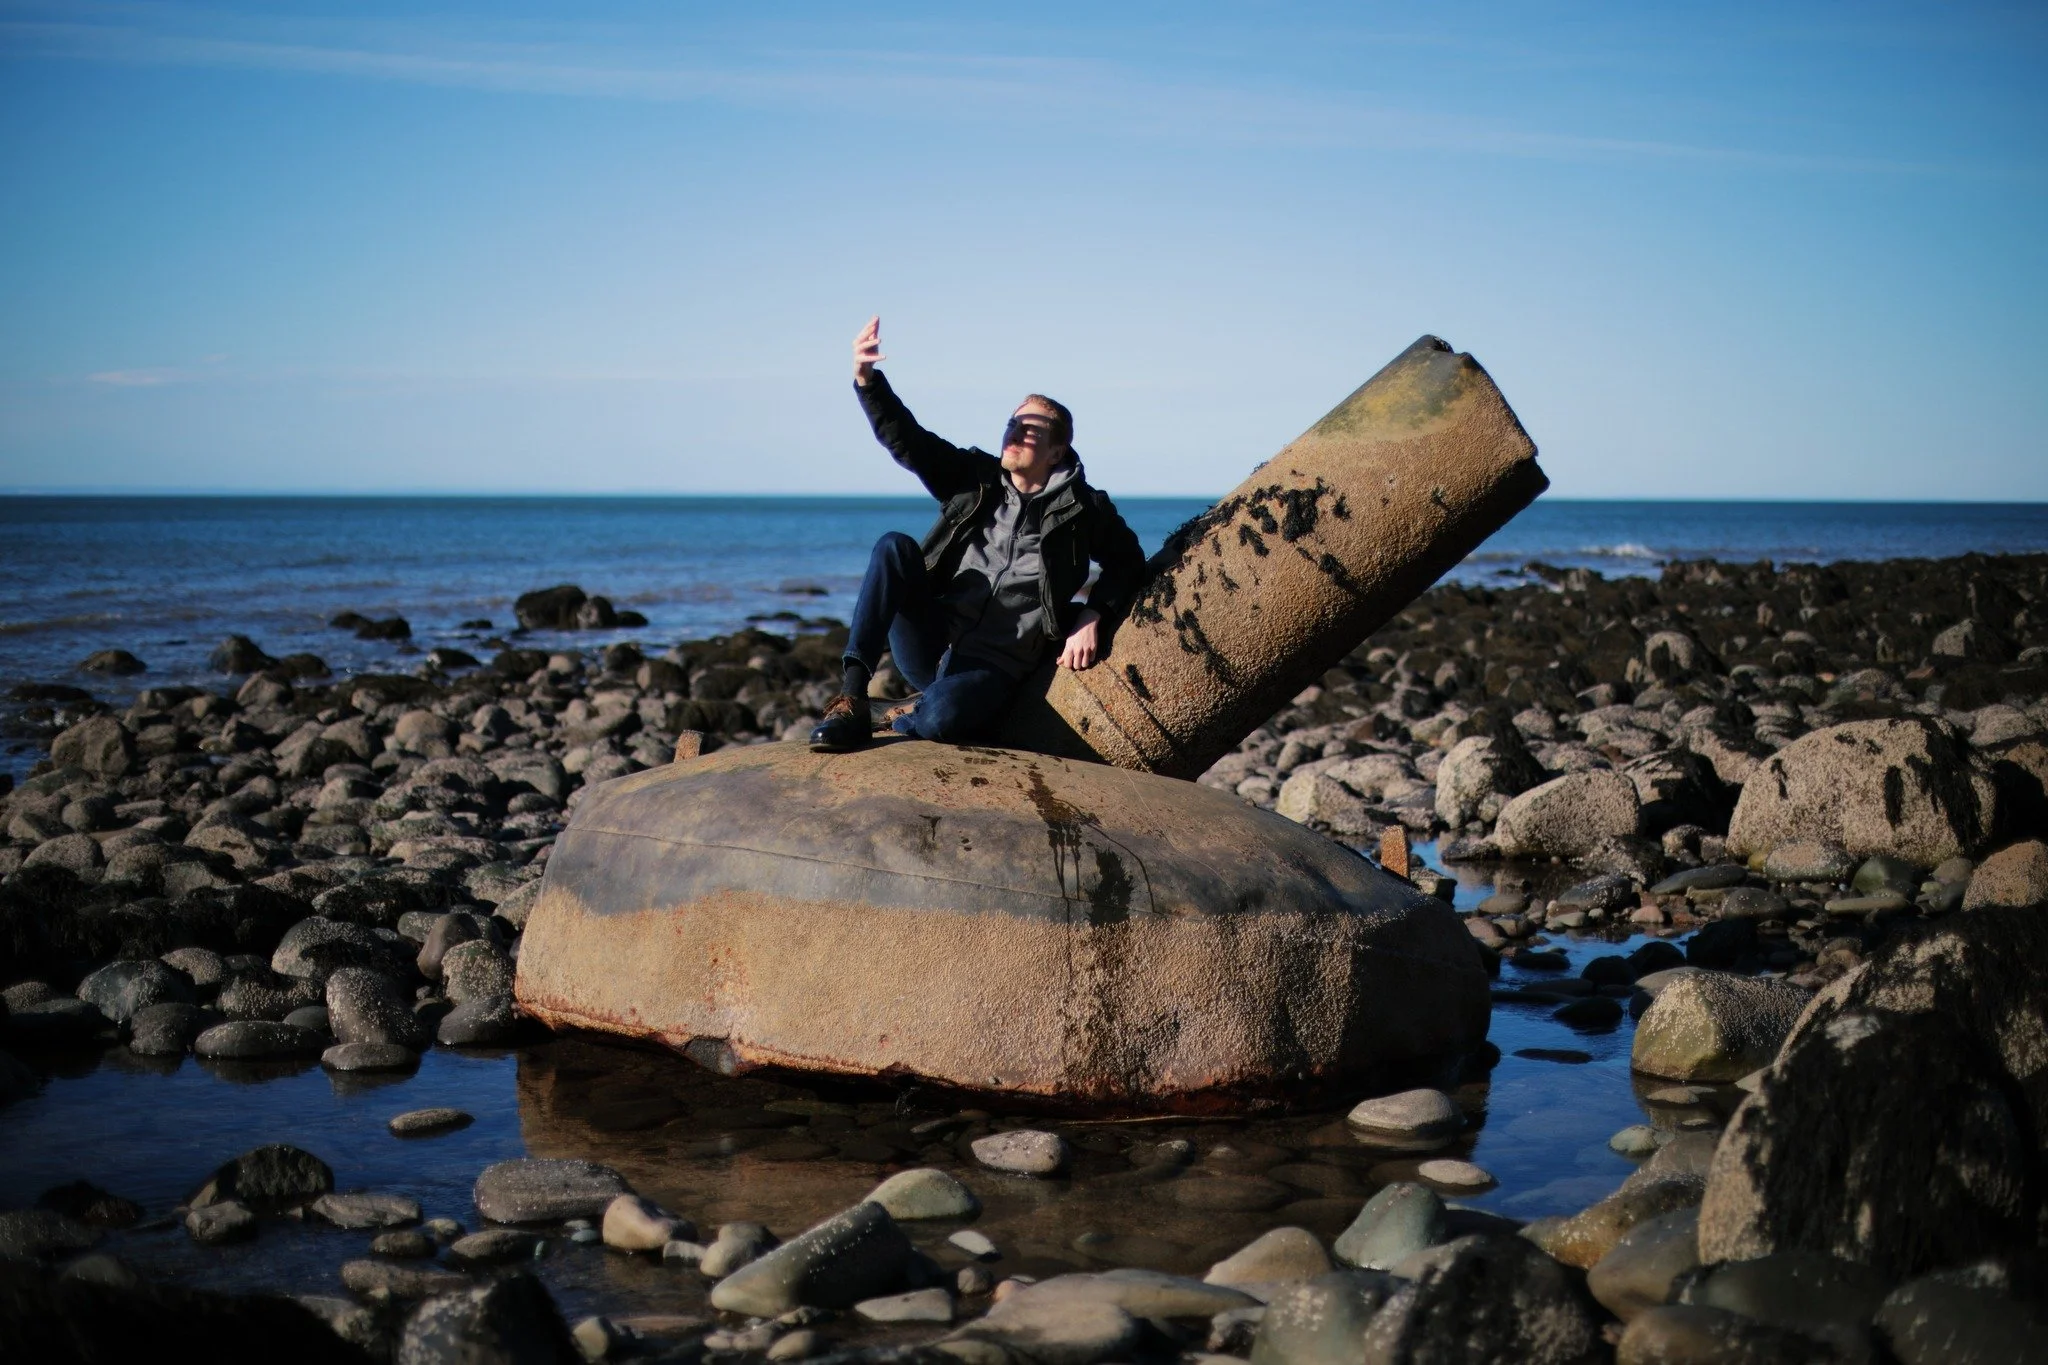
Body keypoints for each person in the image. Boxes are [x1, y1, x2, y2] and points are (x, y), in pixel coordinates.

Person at [810, 316, 1147, 751]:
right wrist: (867, 379)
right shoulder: (976, 478)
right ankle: (853, 699)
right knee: (893, 545)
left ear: (1057, 450)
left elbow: (1128, 560)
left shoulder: (1084, 508)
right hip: (933, 640)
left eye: (1032, 430)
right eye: (1012, 424)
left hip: (994, 664)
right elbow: (909, 441)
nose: (1016, 434)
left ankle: (908, 712)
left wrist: (1093, 613)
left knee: (940, 721)